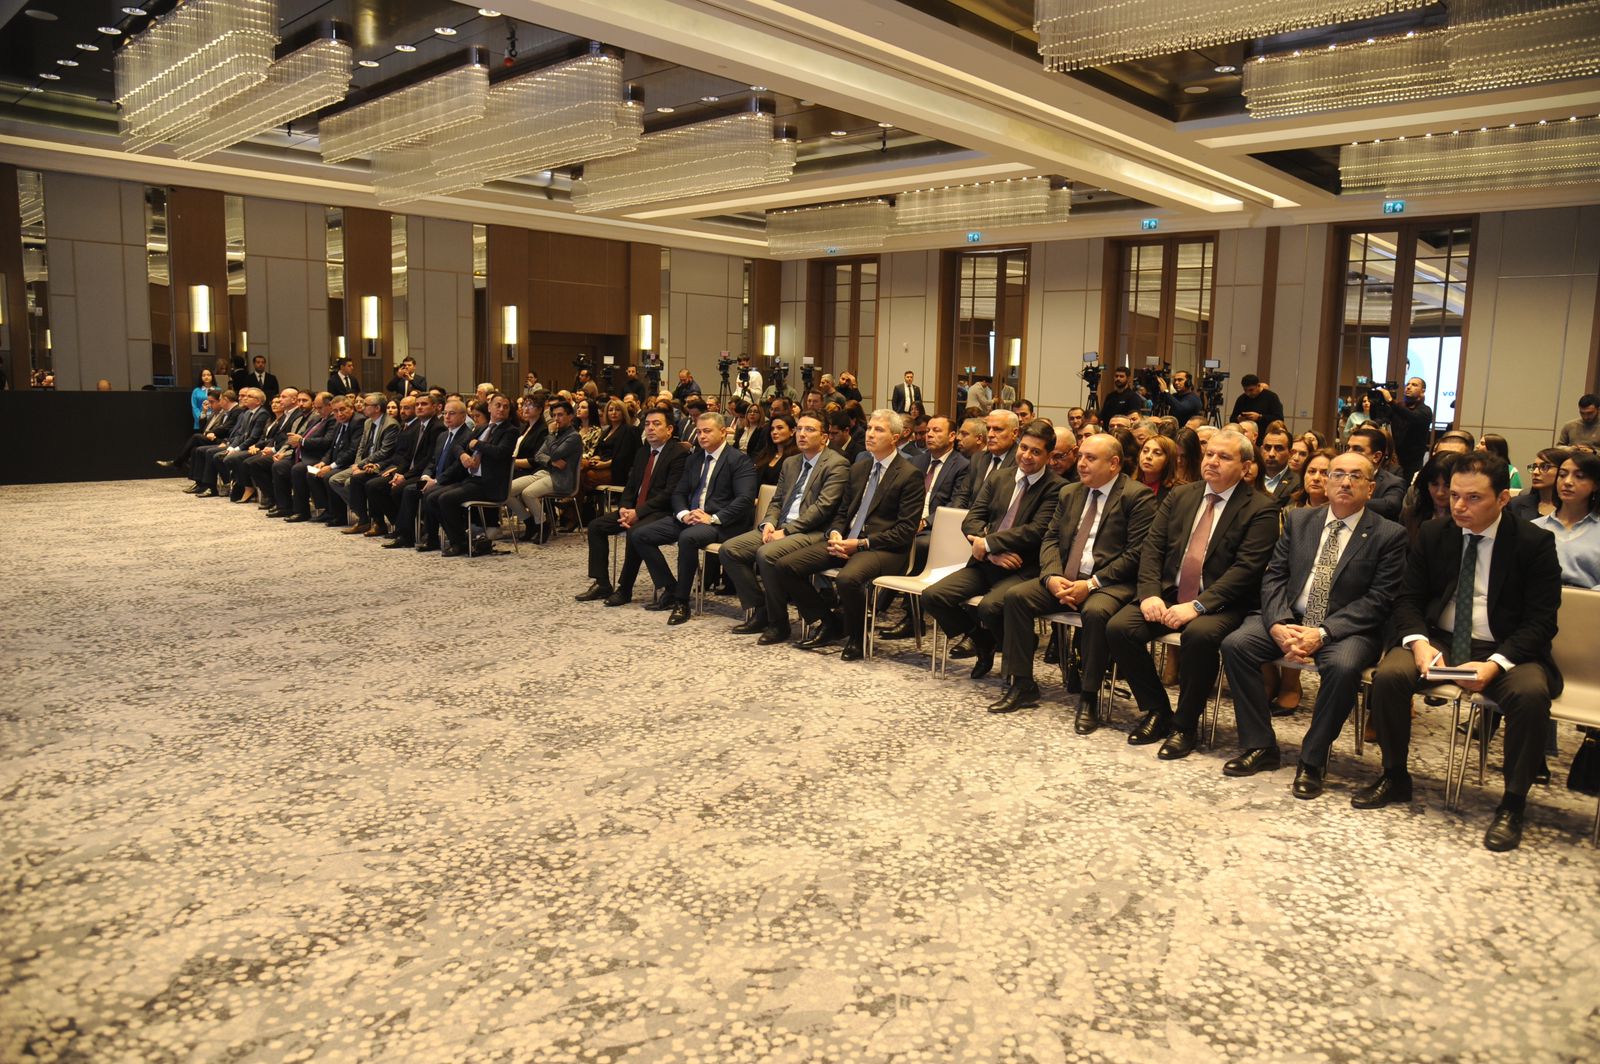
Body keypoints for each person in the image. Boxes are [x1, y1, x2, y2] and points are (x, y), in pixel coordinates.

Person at [1355, 451, 1562, 852]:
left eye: (1473, 498)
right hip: (1441, 638)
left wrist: (1495, 664)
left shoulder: (1534, 542)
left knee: (1530, 695)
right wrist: (1418, 642)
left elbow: (1541, 622)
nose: (1459, 506)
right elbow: (1407, 599)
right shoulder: (1435, 534)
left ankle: (1513, 803)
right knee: (1390, 676)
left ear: (1503, 498)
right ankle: (1395, 775)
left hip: (1506, 646)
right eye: (1454, 496)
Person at [1218, 451, 1408, 796]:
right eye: (1338, 474)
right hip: (1290, 617)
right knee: (1237, 645)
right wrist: (1278, 623)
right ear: (1327, 482)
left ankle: (1312, 759)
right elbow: (1274, 576)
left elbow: (1379, 599)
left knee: (1343, 667)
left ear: (1371, 488)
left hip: (1346, 629)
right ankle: (1260, 745)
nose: (1345, 482)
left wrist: (1322, 632)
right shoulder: (1300, 520)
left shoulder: (1389, 534)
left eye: (1355, 476)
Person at [1106, 428, 1281, 759]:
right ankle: (1157, 710)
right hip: (1170, 594)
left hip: (1223, 603)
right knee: (1120, 627)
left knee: (1199, 636)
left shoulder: (1261, 508)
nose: (1212, 461)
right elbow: (1153, 548)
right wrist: (1150, 594)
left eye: (1224, 457)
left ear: (1245, 467)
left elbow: (1246, 570)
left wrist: (1199, 606)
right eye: (1209, 454)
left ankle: (1185, 725)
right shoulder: (1182, 495)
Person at [997, 432, 1155, 728]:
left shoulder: (1136, 496)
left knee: (1096, 613)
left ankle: (1089, 696)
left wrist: (1092, 584)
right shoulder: (1070, 492)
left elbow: (1137, 554)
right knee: (1016, 597)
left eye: (1090, 458)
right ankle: (1022, 683)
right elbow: (1050, 538)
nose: (1081, 464)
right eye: (1080, 456)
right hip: (1066, 576)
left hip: (1108, 583)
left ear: (1114, 463)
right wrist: (1051, 576)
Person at [772, 409, 922, 660]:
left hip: (884, 548)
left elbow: (905, 531)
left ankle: (857, 636)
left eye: (879, 430)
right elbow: (843, 512)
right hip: (847, 541)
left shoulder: (909, 474)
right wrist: (835, 533)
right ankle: (828, 622)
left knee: (847, 579)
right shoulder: (859, 468)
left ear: (895, 438)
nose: (870, 434)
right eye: (870, 428)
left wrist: (861, 543)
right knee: (786, 566)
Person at [925, 421, 1064, 690]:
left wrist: (988, 543)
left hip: (1023, 568)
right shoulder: (1000, 477)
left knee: (990, 607)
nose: (1027, 456)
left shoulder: (1057, 488)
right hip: (987, 563)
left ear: (1048, 456)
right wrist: (989, 553)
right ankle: (983, 640)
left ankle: (1016, 663)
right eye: (1024, 448)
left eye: (1036, 452)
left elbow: (1036, 531)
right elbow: (972, 518)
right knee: (934, 596)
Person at [722, 412, 851, 639]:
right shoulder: (791, 462)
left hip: (813, 532)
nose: (802, 434)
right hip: (781, 527)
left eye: (809, 430)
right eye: (799, 429)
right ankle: (761, 609)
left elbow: (823, 508)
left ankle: (778, 623)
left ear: (824, 437)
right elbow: (777, 501)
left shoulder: (837, 464)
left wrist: (786, 531)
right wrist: (769, 523)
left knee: (766, 554)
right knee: (730, 550)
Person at [628, 412, 758, 623]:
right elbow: (678, 493)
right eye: (698, 432)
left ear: (723, 432)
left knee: (687, 538)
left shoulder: (739, 460)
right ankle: (671, 588)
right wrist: (683, 514)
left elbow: (745, 500)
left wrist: (712, 518)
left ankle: (681, 602)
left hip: (721, 523)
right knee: (639, 534)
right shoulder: (694, 458)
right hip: (691, 518)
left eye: (707, 431)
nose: (702, 436)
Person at [575, 409, 691, 605]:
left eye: (656, 424)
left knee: (635, 532)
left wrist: (638, 512)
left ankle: (625, 588)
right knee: (595, 526)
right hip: (634, 509)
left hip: (660, 511)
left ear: (669, 429)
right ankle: (602, 583)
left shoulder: (678, 454)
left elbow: (669, 493)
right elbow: (631, 486)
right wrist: (624, 507)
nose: (650, 428)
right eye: (647, 424)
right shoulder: (643, 452)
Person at [878, 416, 970, 641]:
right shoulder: (917, 461)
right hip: (908, 522)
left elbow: (957, 504)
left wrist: (926, 522)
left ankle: (910, 618)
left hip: (936, 529)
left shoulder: (962, 465)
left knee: (916, 546)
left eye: (936, 431)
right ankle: (871, 604)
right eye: (928, 430)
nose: (929, 434)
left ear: (952, 436)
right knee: (882, 537)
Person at [514, 399, 582, 543]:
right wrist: (551, 461)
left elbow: (556, 453)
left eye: (560, 415)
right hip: (545, 472)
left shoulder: (574, 437)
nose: (556, 419)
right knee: (507, 490)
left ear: (570, 416)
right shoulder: (555, 434)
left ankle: (543, 526)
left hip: (561, 479)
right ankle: (529, 522)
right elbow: (538, 455)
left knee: (528, 493)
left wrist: (550, 435)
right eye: (554, 415)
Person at [1534, 451, 1600, 589]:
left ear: (1595, 484)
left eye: (1579, 476)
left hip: (1588, 598)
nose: (1567, 482)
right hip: (1540, 596)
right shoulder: (1535, 528)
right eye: (1562, 475)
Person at [952, 409, 1019, 509]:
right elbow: (963, 495)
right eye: (988, 429)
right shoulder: (978, 458)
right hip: (969, 515)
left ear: (1014, 433)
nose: (990, 434)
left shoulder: (1020, 461)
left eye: (997, 429)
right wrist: (956, 514)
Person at [1376, 377, 1434, 482]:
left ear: (1423, 390)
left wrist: (1391, 401)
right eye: (1408, 384)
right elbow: (1383, 419)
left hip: (1412, 462)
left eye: (1414, 385)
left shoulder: (1425, 410)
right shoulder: (1399, 407)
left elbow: (1411, 416)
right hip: (1394, 458)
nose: (1409, 387)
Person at [1344, 424, 1406, 521]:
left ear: (1376, 456)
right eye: (1348, 448)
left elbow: (1390, 505)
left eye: (1357, 449)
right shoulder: (1337, 475)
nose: (1349, 453)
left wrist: (1347, 502)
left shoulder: (1392, 483)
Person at [1508, 447, 1568, 521]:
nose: (1535, 472)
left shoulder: (1572, 509)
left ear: (1562, 472)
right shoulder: (1515, 504)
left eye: (1545, 467)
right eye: (1534, 467)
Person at [1257, 422, 1299, 506]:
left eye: (1279, 448)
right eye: (1267, 448)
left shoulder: (1297, 483)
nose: (1271, 454)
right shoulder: (1251, 477)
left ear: (1290, 453)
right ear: (1261, 450)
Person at [752, 414, 797, 486]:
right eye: (772, 429)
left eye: (780, 428)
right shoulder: (765, 453)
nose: (774, 432)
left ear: (792, 431)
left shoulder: (796, 457)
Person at [1134, 434, 1177, 500]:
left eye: (1157, 453)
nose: (1148, 456)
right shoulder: (1128, 484)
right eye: (1145, 451)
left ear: (1169, 459)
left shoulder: (1176, 491)